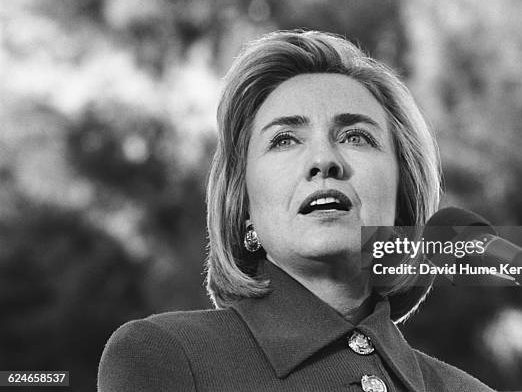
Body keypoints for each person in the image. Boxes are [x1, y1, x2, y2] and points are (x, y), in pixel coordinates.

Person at [98, 30, 495, 392]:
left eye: (356, 136)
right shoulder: (167, 356)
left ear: (403, 197)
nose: (324, 160)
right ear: (243, 206)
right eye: (285, 140)